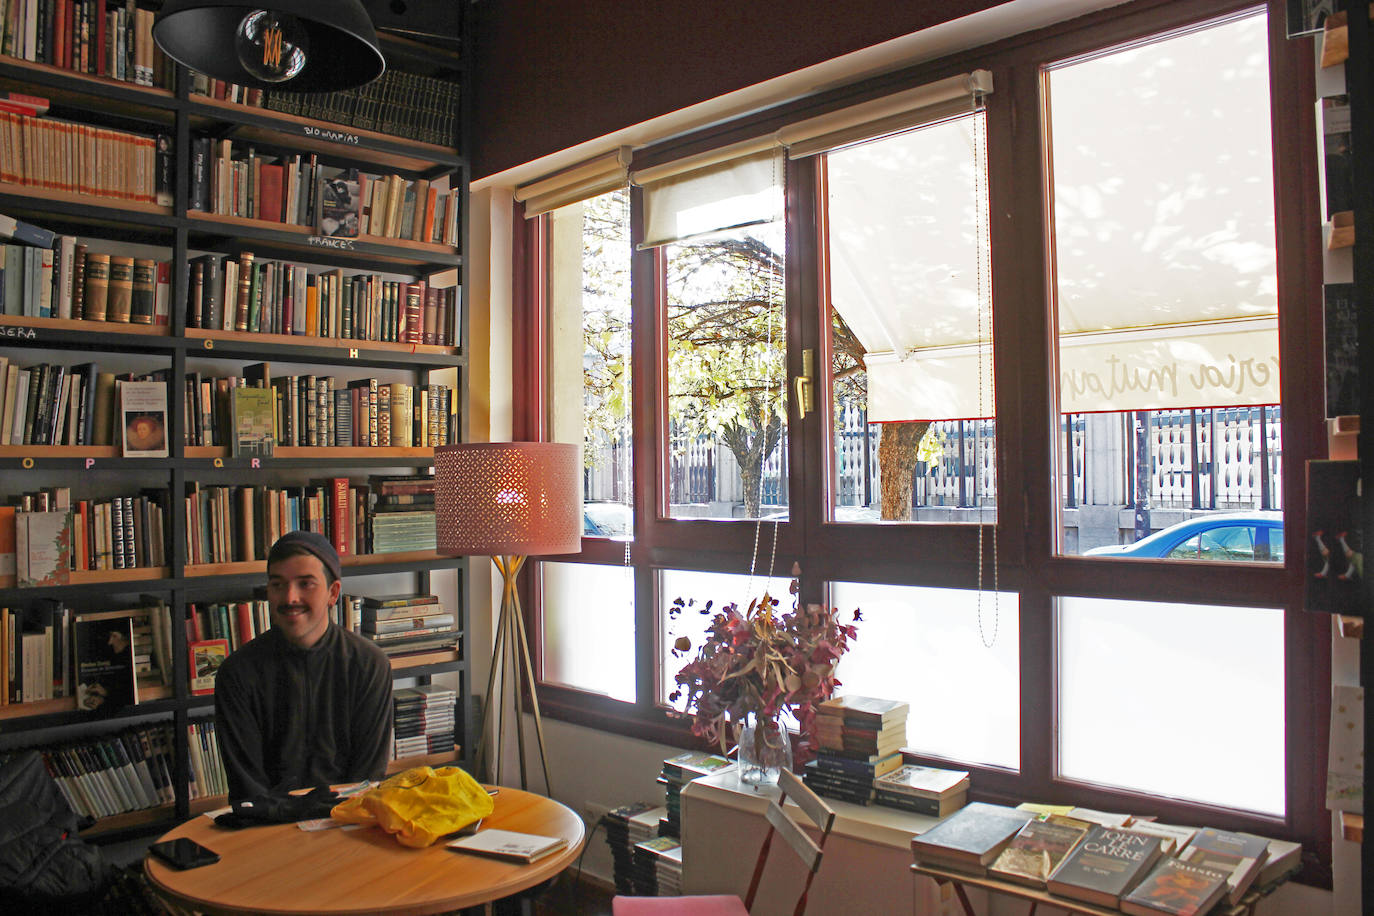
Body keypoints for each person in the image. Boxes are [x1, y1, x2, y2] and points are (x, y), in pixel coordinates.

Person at [214, 530, 393, 802]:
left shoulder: (369, 666)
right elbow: (247, 788)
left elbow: (366, 781)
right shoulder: (237, 674)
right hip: (265, 831)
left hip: (347, 824)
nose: (290, 598)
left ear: (333, 593)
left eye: (305, 584)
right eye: (277, 585)